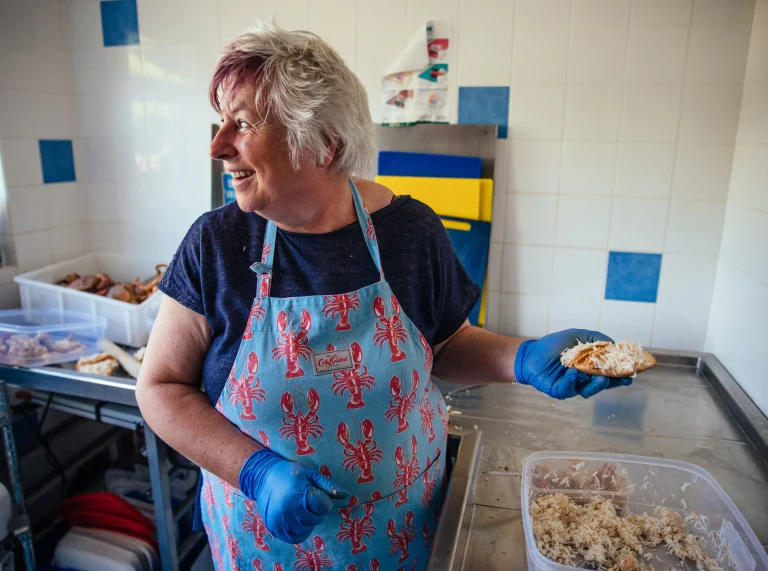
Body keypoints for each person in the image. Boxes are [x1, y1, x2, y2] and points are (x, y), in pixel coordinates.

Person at [135, 22, 631, 570]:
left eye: (244, 122)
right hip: (266, 548)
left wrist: (521, 357)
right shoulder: (217, 244)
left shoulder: (408, 233)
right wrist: (254, 471)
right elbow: (160, 388)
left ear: (323, 145)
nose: (217, 145)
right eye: (222, 120)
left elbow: (446, 344)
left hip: (402, 542)